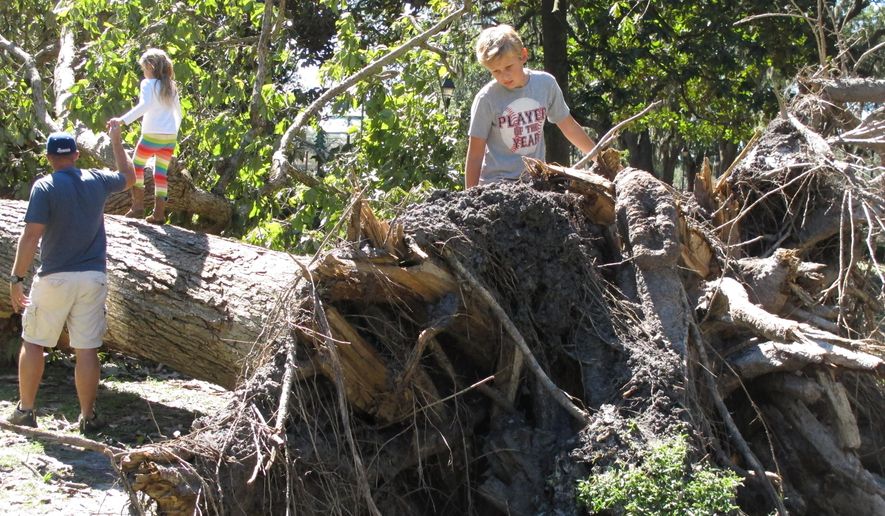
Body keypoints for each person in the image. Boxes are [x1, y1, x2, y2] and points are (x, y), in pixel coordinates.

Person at [6, 126, 136, 433]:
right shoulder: (95, 179)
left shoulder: (45, 186)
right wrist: (117, 143)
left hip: (55, 277)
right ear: (76, 155)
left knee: (34, 342)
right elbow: (129, 178)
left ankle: (25, 411)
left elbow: (31, 236)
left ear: (49, 157)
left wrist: (16, 278)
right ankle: (88, 417)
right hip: (93, 276)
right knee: (86, 348)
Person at [465, 24, 596, 188]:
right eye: (496, 71)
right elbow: (475, 154)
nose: (504, 76)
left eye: (508, 67)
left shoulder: (545, 84)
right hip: (496, 186)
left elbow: (569, 127)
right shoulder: (486, 99)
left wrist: (599, 158)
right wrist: (469, 198)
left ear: (523, 56)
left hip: (535, 182)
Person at [108, 48, 182, 224]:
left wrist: (122, 120)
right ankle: (159, 213)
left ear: (150, 67)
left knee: (136, 167)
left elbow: (144, 105)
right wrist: (174, 132)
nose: (143, 72)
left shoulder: (147, 84)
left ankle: (138, 206)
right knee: (161, 174)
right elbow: (179, 112)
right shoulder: (171, 85)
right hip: (169, 136)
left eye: (143, 68)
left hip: (151, 135)